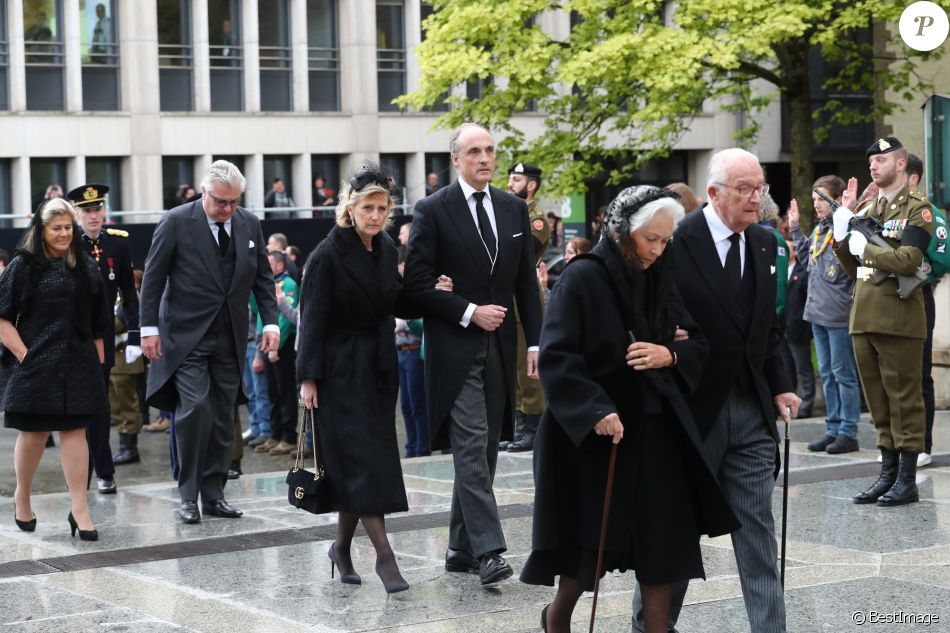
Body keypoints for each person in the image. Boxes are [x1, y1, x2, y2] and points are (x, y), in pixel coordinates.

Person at [521, 186, 739, 633]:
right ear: (622, 232)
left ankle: (656, 628)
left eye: (665, 240)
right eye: (650, 240)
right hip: (594, 437)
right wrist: (595, 409)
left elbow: (696, 341)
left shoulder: (662, 275)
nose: (658, 250)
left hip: (657, 432)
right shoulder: (582, 277)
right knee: (589, 549)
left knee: (665, 542)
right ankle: (557, 618)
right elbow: (558, 357)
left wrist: (668, 354)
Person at [632, 148, 800, 633]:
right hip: (691, 410)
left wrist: (782, 385)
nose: (756, 199)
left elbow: (768, 328)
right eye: (745, 189)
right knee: (678, 531)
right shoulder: (677, 241)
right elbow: (648, 321)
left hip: (749, 409)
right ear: (713, 193)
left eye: (760, 188)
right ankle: (650, 626)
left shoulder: (767, 244)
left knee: (756, 533)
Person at [297, 163, 452, 593]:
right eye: (368, 207)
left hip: (378, 368)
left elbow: (395, 300)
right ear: (350, 207)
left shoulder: (385, 250)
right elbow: (312, 318)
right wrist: (308, 378)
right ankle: (386, 559)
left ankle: (341, 548)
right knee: (361, 463)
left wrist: (432, 294)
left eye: (383, 208)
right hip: (337, 371)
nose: (376, 215)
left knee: (363, 465)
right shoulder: (327, 253)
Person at [404, 123, 543, 585]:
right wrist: (467, 311)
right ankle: (489, 552)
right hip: (454, 348)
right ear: (456, 160)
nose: (486, 158)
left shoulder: (512, 208)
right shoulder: (432, 210)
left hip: (501, 347)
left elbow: (525, 282)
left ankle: (459, 548)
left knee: (484, 450)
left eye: (490, 150)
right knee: (470, 444)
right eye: (475, 151)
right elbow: (417, 285)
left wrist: (538, 343)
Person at [139, 160, 279, 524]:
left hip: (230, 336)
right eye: (221, 202)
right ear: (204, 192)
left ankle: (214, 494)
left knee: (223, 416)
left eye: (234, 202)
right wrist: (148, 329)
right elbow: (152, 279)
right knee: (195, 408)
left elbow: (263, 279)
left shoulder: (249, 223)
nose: (228, 209)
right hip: (185, 337)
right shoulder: (175, 221)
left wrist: (272, 325)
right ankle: (188, 495)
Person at [0, 198, 109, 541]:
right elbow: (2, 316)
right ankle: (22, 495)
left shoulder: (85, 266)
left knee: (75, 432)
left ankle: (80, 508)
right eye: (56, 228)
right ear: (41, 230)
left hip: (77, 363)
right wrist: (23, 355)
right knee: (34, 432)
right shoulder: (24, 265)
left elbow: (98, 320)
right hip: (35, 361)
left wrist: (99, 362)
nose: (63, 234)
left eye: (67, 228)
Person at [833, 137, 934, 507]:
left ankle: (906, 480)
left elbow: (908, 260)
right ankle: (887, 473)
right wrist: (843, 237)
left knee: (904, 399)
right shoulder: (869, 207)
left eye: (881, 159)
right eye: (871, 159)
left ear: (902, 163)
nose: (874, 165)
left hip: (898, 317)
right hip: (864, 314)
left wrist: (868, 248)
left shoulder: (918, 209)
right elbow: (852, 269)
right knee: (877, 401)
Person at [66, 183, 140, 494]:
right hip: (72, 335)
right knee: (76, 409)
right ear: (77, 214)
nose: (94, 215)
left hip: (104, 334)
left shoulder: (117, 244)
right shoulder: (68, 243)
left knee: (100, 405)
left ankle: (104, 471)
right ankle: (83, 472)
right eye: (87, 210)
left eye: (98, 209)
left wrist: (135, 334)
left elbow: (128, 292)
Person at [789, 176, 861, 452]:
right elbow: (807, 260)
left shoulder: (846, 230)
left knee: (844, 374)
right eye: (815, 199)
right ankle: (832, 428)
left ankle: (848, 430)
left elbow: (853, 264)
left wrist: (848, 211)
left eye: (821, 199)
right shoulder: (820, 230)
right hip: (816, 313)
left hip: (838, 315)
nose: (815, 205)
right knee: (827, 374)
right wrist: (795, 229)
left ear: (836, 200)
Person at [501, 162, 550, 452]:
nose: (509, 184)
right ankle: (518, 427)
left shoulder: (536, 218)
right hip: (509, 298)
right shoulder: (511, 214)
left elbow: (522, 251)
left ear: (531, 185)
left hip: (525, 300)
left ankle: (533, 427)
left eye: (516, 179)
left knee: (528, 368)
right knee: (515, 368)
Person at [906, 154, 950, 467]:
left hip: (917, 295)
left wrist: (915, 274)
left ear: (913, 178)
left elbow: (942, 258)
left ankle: (923, 445)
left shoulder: (928, 212)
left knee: (920, 374)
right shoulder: (888, 210)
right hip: (888, 299)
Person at [110, 293, 146, 465]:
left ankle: (131, 448)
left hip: (126, 360)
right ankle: (124, 445)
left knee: (127, 406)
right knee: (115, 407)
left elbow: (116, 325)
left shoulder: (129, 297)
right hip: (113, 360)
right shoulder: (112, 296)